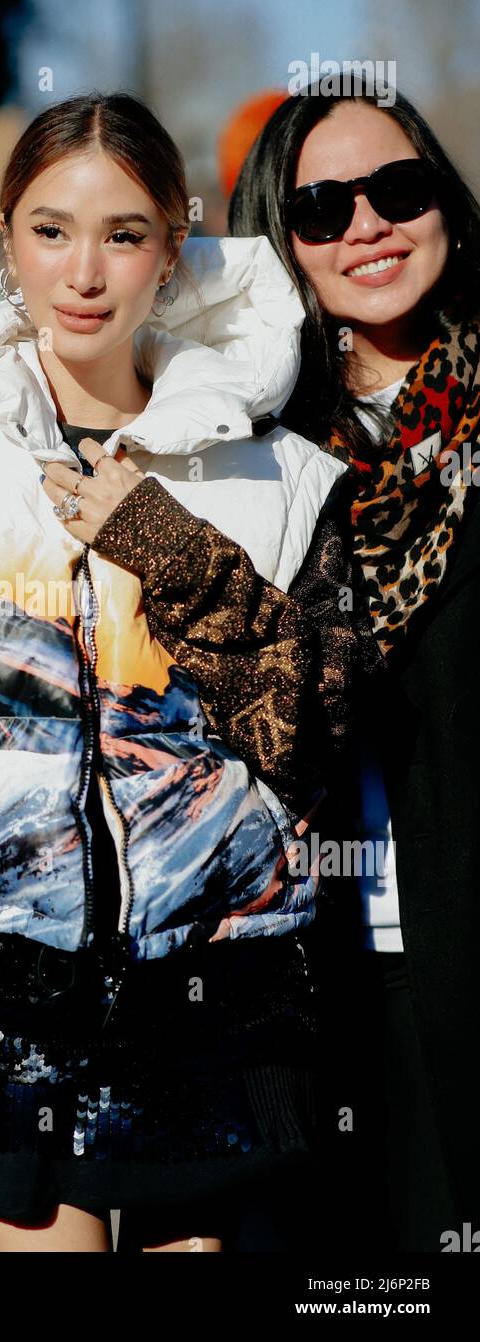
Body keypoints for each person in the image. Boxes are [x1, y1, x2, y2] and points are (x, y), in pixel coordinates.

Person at [0, 92, 356, 1253]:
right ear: (6, 240)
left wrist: (169, 547)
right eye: (49, 230)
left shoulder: (277, 478)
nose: (82, 272)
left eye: (123, 234)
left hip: (222, 1016)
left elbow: (314, 734)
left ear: (172, 248)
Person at [228, 71, 480, 1251]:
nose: (366, 225)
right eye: (322, 209)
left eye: (395, 188)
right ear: (276, 242)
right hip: (308, 981)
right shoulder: (238, 457)